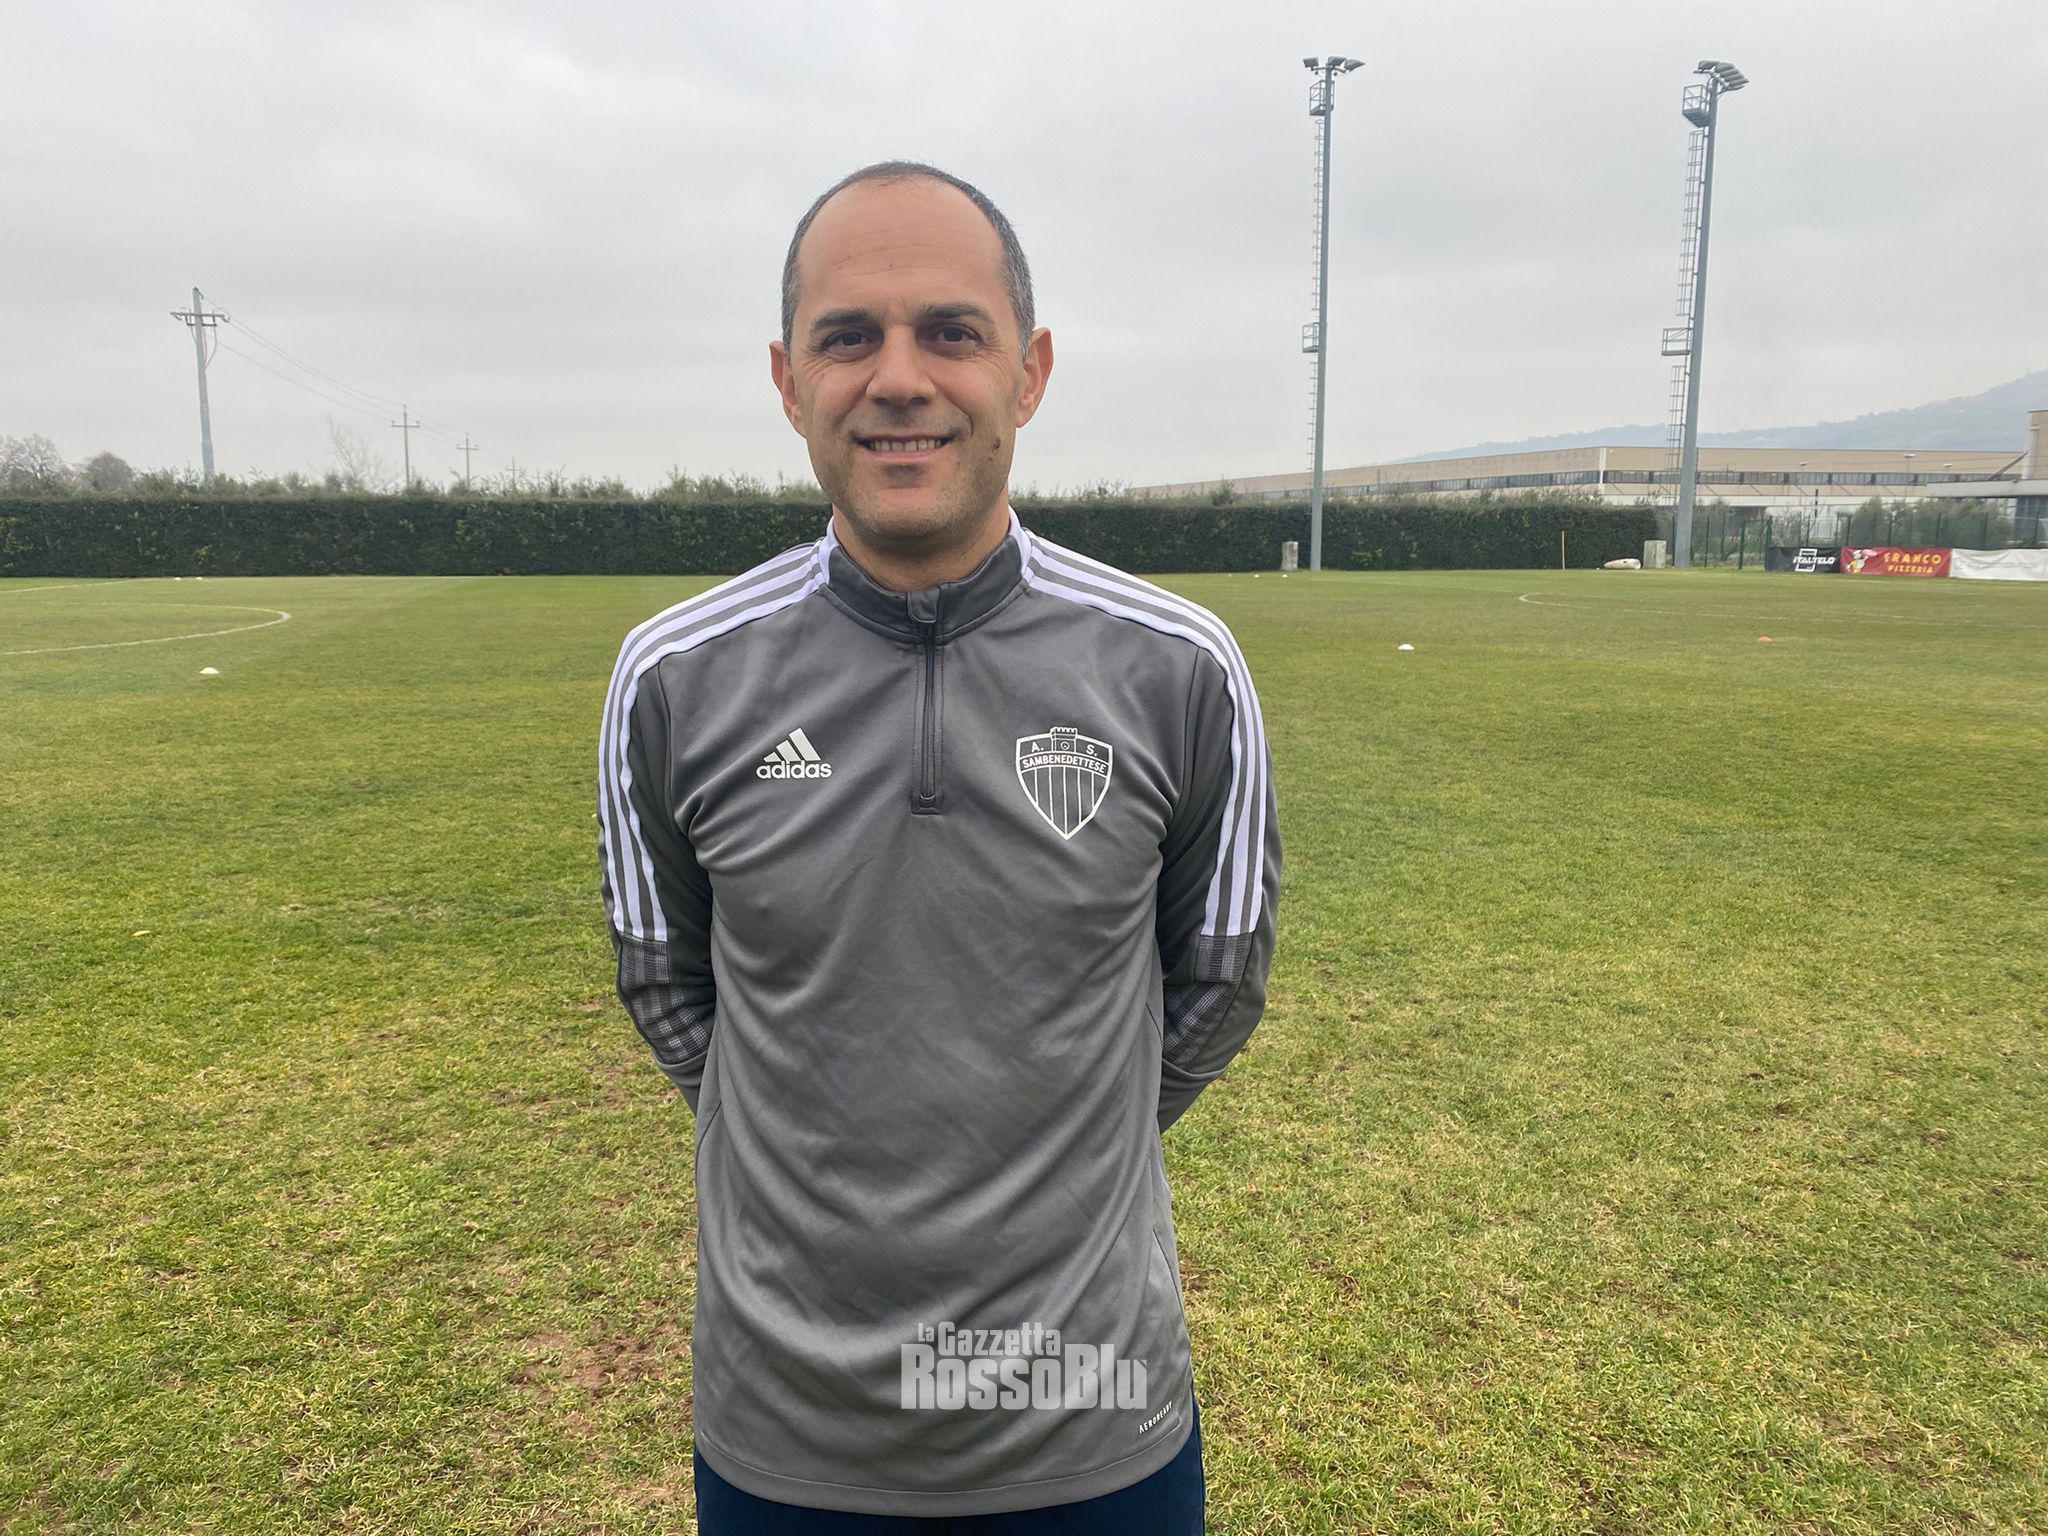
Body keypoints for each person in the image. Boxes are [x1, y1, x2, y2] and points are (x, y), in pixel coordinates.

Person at [596, 162, 1280, 1531]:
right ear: (788, 379)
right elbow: (666, 980)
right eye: (848, 337)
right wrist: (803, 1138)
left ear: (1029, 372)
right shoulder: (672, 676)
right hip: (789, 1425)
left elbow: (1217, 979)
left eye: (951, 333)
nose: (899, 379)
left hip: (1090, 1411)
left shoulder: (1179, 666)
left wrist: (1058, 1144)